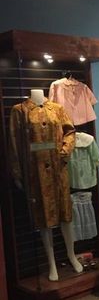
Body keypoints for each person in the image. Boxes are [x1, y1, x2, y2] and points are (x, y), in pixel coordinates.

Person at [9, 88, 83, 281]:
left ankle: (71, 255)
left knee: (66, 214)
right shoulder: (20, 110)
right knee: (43, 217)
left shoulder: (57, 109)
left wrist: (65, 151)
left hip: (59, 169)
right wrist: (17, 171)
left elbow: (70, 132)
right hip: (36, 172)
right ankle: (51, 263)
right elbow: (15, 142)